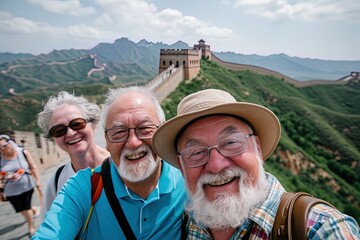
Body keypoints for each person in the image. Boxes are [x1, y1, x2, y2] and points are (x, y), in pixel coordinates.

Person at [152, 88, 360, 240]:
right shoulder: (187, 222)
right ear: (181, 165)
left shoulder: (318, 228)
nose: (215, 165)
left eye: (231, 143)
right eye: (196, 152)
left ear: (257, 148)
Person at [33, 86, 187, 239]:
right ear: (107, 140)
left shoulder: (187, 180)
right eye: (119, 132)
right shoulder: (81, 188)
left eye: (145, 128)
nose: (133, 143)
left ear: (162, 131)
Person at [37, 91, 110, 218]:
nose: (70, 133)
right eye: (59, 130)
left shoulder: (121, 165)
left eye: (77, 124)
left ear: (93, 125)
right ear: (53, 138)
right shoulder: (57, 183)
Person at [0, 134, 42, 236]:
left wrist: (38, 181)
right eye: (0, 147)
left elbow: (32, 167)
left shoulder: (23, 152)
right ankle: (33, 210)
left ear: (10, 142)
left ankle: (31, 227)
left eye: (4, 145)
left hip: (26, 186)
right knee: (21, 210)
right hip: (10, 190)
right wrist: (5, 177)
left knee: (26, 209)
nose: (2, 148)